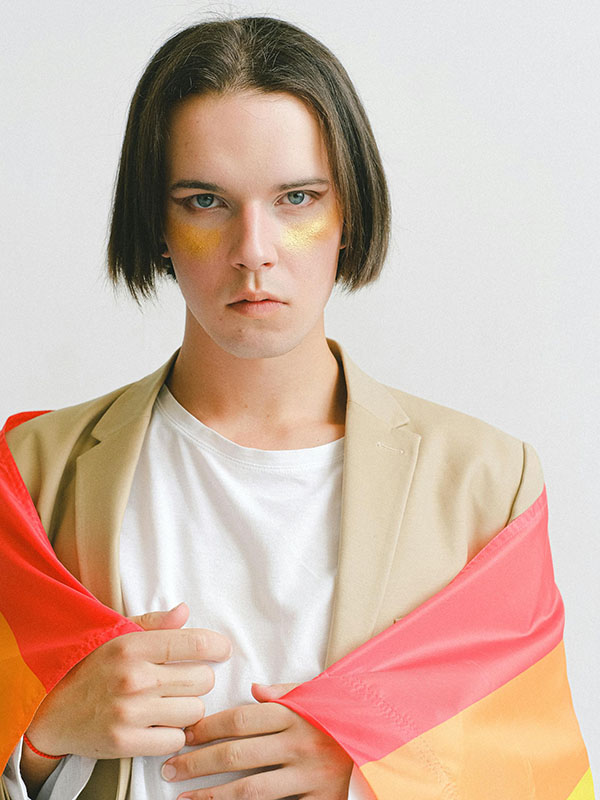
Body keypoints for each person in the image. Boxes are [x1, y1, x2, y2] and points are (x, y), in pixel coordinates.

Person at [0, 15, 589, 800]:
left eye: (297, 198)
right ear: (158, 225)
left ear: (349, 213)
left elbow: (541, 773)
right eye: (205, 200)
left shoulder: (488, 484)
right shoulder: (32, 477)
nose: (254, 248)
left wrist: (368, 771)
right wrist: (38, 744)